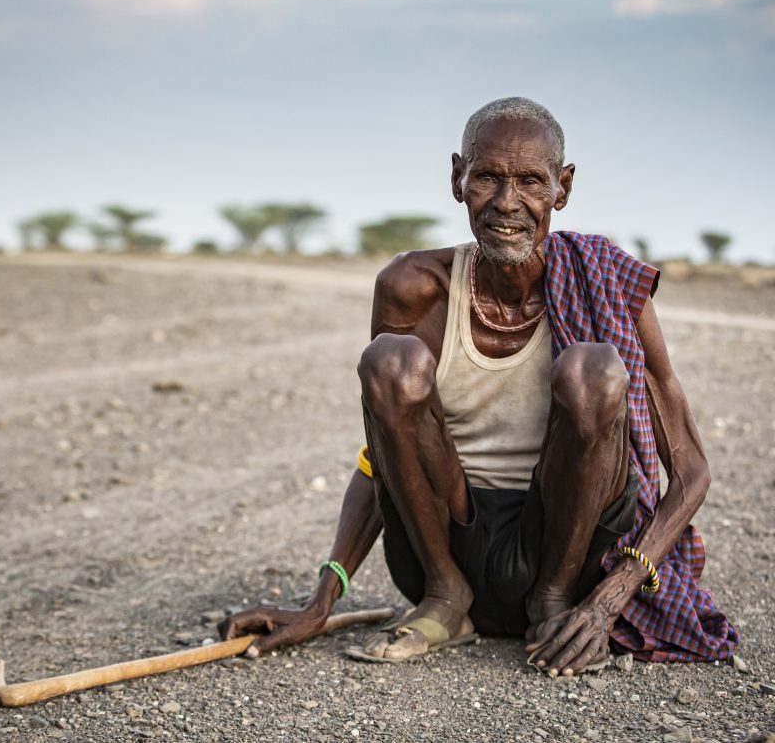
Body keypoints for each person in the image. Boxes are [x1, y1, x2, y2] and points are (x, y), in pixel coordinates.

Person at [220, 97, 738, 675]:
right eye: (487, 176)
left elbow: (691, 470)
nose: (507, 202)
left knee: (592, 368)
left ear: (562, 189)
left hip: (572, 562)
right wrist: (321, 599)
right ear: (456, 179)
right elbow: (383, 453)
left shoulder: (613, 284)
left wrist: (605, 603)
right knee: (389, 360)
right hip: (446, 552)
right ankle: (446, 601)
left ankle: (553, 602)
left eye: (531, 181)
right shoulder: (415, 287)